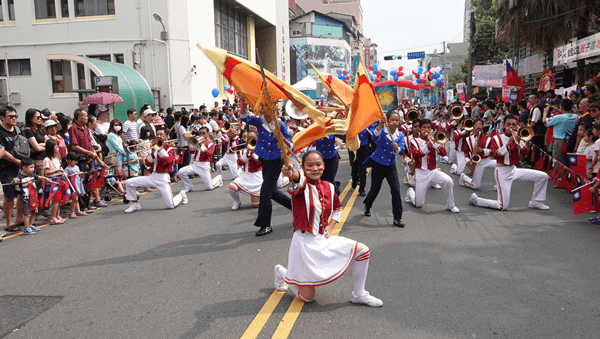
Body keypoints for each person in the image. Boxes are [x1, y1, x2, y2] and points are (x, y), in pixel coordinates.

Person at [274, 150, 383, 307]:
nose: (315, 168)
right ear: (303, 168)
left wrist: (331, 226)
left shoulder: (329, 187)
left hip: (322, 239)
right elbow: (297, 178)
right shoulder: (301, 185)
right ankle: (282, 272)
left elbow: (338, 208)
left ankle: (359, 294)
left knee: (363, 251)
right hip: (304, 245)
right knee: (308, 298)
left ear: (324, 166)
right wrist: (291, 172)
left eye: (318, 164)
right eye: (310, 165)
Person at [239, 93, 293, 236]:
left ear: (273, 110)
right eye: (262, 108)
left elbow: (291, 146)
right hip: (265, 158)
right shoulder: (259, 121)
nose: (263, 110)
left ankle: (266, 225)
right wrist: (243, 99)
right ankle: (296, 208)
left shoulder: (280, 124)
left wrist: (281, 138)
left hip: (277, 159)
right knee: (272, 192)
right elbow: (244, 117)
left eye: (266, 108)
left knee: (264, 193)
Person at [469, 115, 550, 211]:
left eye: (514, 125)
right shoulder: (496, 138)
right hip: (502, 172)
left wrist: (520, 142)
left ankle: (536, 202)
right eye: (508, 124)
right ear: (503, 125)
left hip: (513, 169)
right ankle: (477, 200)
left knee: (543, 176)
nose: (511, 127)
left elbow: (526, 153)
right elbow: (495, 155)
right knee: (502, 206)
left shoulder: (518, 137)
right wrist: (508, 144)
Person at [124, 127, 188, 213]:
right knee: (129, 182)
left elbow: (168, 161)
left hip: (163, 178)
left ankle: (181, 194)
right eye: (157, 134)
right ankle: (135, 204)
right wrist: (153, 153)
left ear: (166, 137)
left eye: (161, 134)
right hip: (153, 176)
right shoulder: (153, 148)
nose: (158, 136)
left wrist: (160, 149)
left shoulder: (170, 149)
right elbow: (147, 164)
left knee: (171, 205)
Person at [406, 119, 460, 213]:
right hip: (421, 172)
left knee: (449, 181)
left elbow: (444, 153)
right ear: (419, 128)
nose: (426, 130)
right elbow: (415, 155)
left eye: (428, 127)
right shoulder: (414, 141)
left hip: (433, 171)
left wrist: (436, 143)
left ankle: (451, 205)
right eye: (424, 127)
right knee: (418, 204)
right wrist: (427, 146)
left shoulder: (434, 139)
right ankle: (410, 192)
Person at [363, 111, 407, 227]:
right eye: (392, 119)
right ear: (387, 120)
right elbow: (374, 137)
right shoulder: (382, 131)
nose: (395, 122)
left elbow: (402, 149)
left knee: (396, 191)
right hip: (378, 164)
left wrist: (398, 148)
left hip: (390, 166)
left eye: (397, 120)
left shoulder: (400, 135)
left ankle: (397, 218)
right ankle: (367, 205)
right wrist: (380, 124)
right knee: (375, 189)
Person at [68, 108, 108, 208]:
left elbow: (89, 143)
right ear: (79, 117)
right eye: (85, 116)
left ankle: (87, 204)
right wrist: (88, 152)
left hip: (89, 158)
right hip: (80, 159)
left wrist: (92, 155)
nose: (87, 118)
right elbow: (74, 146)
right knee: (80, 182)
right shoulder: (73, 128)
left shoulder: (85, 128)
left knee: (88, 181)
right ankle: (82, 206)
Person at [10, 157, 52, 234]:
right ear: (24, 168)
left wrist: (46, 178)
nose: (33, 169)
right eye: (31, 167)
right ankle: (26, 229)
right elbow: (13, 182)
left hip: (34, 198)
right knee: (27, 214)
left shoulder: (32, 175)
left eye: (33, 167)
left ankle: (30, 225)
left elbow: (39, 177)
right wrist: (14, 181)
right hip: (26, 198)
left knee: (34, 212)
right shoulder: (20, 177)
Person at [0, 106, 25, 232]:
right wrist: (17, 161)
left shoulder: (18, 130)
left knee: (21, 193)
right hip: (7, 168)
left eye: (16, 116)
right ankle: (9, 222)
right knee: (9, 195)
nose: (14, 118)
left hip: (21, 167)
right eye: (11, 116)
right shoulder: (0, 132)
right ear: (2, 117)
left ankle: (19, 219)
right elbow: (2, 152)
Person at [179, 127, 223, 191]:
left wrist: (202, 145)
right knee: (181, 172)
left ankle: (219, 179)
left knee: (210, 187)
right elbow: (191, 152)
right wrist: (193, 144)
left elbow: (208, 154)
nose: (202, 135)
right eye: (200, 133)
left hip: (204, 166)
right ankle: (188, 186)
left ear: (207, 134)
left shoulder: (211, 144)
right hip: (195, 165)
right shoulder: (197, 143)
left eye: (204, 133)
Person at [460, 119, 497, 190]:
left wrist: (483, 150)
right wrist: (468, 160)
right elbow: (466, 152)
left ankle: (498, 184)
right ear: (473, 127)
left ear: (482, 126)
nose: (478, 126)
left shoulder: (488, 138)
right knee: (475, 186)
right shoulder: (469, 139)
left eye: (480, 124)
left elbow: (493, 150)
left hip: (486, 160)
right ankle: (464, 177)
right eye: (476, 125)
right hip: (477, 162)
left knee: (501, 164)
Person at [228, 131, 261, 209]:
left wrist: (253, 152)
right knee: (231, 187)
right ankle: (237, 202)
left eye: (253, 138)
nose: (250, 140)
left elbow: (258, 163)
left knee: (256, 205)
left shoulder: (261, 150)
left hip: (256, 177)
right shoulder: (243, 151)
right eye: (248, 138)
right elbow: (239, 163)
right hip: (245, 176)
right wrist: (247, 153)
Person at [42, 139, 66, 224]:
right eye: (56, 147)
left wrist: (62, 172)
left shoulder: (56, 158)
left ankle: (57, 215)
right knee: (56, 200)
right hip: (53, 181)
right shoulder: (47, 160)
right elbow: (46, 172)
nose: (58, 148)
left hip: (59, 179)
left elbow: (59, 168)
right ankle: (53, 217)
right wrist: (57, 170)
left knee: (59, 199)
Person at [23, 108, 47, 178]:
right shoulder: (28, 131)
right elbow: (37, 149)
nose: (40, 119)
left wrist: (39, 145)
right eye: (38, 117)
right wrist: (38, 146)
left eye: (41, 117)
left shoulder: (41, 130)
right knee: (40, 185)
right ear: (30, 118)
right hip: (37, 161)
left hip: (45, 160)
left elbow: (49, 143)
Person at [107, 119, 127, 193]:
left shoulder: (118, 135)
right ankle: (119, 189)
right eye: (115, 125)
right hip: (115, 155)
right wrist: (124, 153)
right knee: (118, 174)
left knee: (120, 173)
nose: (117, 126)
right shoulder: (111, 135)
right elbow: (117, 146)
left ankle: (119, 189)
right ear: (112, 126)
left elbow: (121, 145)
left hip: (120, 154)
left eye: (119, 125)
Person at [64, 152, 86, 219]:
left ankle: (78, 211)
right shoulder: (67, 169)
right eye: (75, 161)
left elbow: (78, 173)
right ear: (69, 161)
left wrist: (80, 173)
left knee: (77, 199)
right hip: (72, 186)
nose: (76, 162)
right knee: (75, 199)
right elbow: (66, 177)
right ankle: (71, 212)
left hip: (78, 184)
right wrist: (71, 176)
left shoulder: (76, 167)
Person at [349, 127, 370, 196]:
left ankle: (362, 189)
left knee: (363, 168)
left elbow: (373, 132)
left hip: (364, 146)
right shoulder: (351, 121)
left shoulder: (367, 122)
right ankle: (354, 179)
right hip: (353, 146)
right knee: (354, 166)